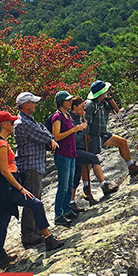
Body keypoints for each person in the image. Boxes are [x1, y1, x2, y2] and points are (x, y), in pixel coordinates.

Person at [0, 111, 65, 269]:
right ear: (5, 125)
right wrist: (21, 189)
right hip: (6, 188)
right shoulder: (0, 144)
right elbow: (4, 171)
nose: (14, 125)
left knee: (3, 221)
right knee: (35, 204)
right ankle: (49, 239)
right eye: (12, 123)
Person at [13, 91, 61, 246]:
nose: (35, 104)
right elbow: (43, 135)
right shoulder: (23, 123)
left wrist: (50, 137)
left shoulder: (29, 120)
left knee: (36, 198)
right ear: (26, 105)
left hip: (35, 164)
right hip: (30, 166)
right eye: (33, 102)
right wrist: (51, 139)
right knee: (32, 200)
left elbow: (43, 129)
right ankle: (28, 235)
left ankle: (35, 230)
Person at [84, 80, 138, 177]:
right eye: (105, 91)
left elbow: (116, 110)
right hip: (93, 136)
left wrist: (109, 98)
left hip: (102, 133)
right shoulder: (90, 105)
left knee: (122, 142)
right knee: (89, 161)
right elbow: (86, 121)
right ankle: (86, 185)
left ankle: (131, 166)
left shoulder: (103, 102)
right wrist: (86, 136)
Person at [71, 97, 118, 206]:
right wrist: (83, 131)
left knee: (77, 175)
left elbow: (116, 110)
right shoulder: (71, 119)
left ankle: (72, 202)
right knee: (92, 159)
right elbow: (74, 137)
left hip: (81, 148)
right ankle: (103, 185)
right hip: (74, 149)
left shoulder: (80, 117)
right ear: (75, 107)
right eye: (82, 107)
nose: (84, 109)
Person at [49, 91, 87, 226]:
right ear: (61, 102)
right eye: (68, 100)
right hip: (63, 154)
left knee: (70, 184)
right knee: (63, 186)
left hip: (71, 153)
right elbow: (56, 136)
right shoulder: (57, 117)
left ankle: (66, 210)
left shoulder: (67, 116)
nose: (70, 102)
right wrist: (74, 129)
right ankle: (58, 215)